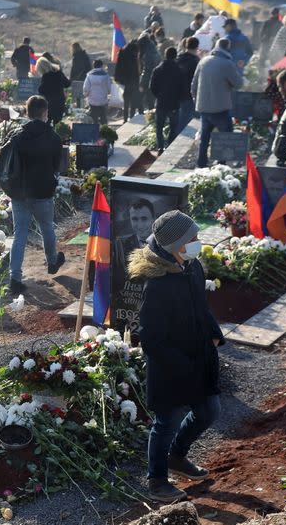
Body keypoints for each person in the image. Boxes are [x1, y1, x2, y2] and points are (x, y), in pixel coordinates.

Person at [128, 210, 224, 503]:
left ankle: (177, 456)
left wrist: (214, 331)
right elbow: (151, 339)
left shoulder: (192, 267)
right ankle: (156, 480)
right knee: (165, 423)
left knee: (209, 411)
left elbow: (201, 306)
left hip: (198, 357)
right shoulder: (157, 285)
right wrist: (182, 366)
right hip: (171, 368)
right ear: (175, 246)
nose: (198, 242)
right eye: (192, 238)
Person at [7, 95, 65, 295]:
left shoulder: (17, 136)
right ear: (45, 113)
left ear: (28, 112)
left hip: (20, 193)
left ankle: (14, 277)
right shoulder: (54, 138)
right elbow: (58, 166)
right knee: (47, 227)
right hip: (42, 192)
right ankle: (52, 261)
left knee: (19, 235)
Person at [192, 38, 243, 167]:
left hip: (203, 107)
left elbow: (194, 84)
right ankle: (221, 165)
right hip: (220, 108)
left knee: (205, 137)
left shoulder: (203, 61)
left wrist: (196, 99)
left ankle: (201, 163)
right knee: (225, 137)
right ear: (228, 48)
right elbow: (238, 84)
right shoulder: (227, 63)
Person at [112, 198, 154, 294]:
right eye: (134, 219)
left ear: (153, 219)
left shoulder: (164, 245)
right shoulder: (120, 246)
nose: (140, 225)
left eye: (144, 219)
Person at [149, 47, 183, 154]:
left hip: (161, 102)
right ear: (175, 56)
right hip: (174, 104)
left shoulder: (157, 69)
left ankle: (160, 147)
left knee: (159, 127)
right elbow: (182, 87)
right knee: (173, 127)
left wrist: (158, 95)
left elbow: (152, 87)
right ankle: (170, 145)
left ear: (165, 55)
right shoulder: (178, 70)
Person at [36, 57, 71, 125]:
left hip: (50, 103)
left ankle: (47, 135)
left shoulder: (46, 76)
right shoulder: (59, 73)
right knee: (57, 123)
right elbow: (67, 84)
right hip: (60, 101)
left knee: (47, 123)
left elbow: (41, 90)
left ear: (41, 68)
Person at [176, 37, 201, 131]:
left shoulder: (178, 59)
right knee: (189, 121)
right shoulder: (196, 61)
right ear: (197, 47)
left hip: (177, 94)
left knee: (179, 119)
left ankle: (176, 138)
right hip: (190, 95)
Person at [114, 41, 141, 123]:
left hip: (124, 81)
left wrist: (119, 79)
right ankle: (132, 117)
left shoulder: (122, 53)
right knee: (133, 101)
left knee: (126, 101)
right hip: (133, 81)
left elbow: (118, 67)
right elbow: (136, 71)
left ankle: (125, 119)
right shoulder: (134, 56)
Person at [137, 32, 162, 111]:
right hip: (156, 78)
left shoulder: (147, 54)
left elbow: (147, 70)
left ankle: (142, 115)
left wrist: (141, 83)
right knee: (152, 99)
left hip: (148, 79)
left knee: (140, 97)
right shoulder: (154, 49)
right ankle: (152, 115)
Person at [83, 59, 112, 125]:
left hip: (92, 100)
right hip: (103, 100)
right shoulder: (106, 75)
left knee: (94, 117)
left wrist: (86, 94)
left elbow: (86, 88)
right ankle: (104, 129)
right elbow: (109, 88)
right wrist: (108, 93)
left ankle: (94, 130)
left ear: (94, 66)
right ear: (101, 66)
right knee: (103, 117)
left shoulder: (89, 75)